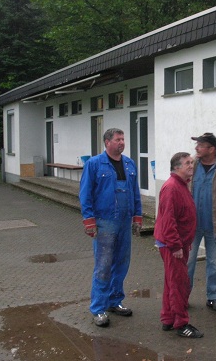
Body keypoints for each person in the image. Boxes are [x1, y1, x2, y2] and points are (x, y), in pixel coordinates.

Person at [79, 128, 142, 327]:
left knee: (122, 263)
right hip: (104, 221)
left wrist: (137, 216)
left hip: (125, 220)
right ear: (107, 142)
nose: (122, 142)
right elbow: (85, 193)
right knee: (103, 266)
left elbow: (135, 192)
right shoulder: (94, 164)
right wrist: (89, 220)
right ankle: (98, 308)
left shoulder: (130, 164)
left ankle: (115, 301)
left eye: (123, 139)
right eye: (117, 139)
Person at [154, 152, 204, 338]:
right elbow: (168, 220)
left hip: (178, 244)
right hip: (172, 246)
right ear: (176, 167)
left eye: (192, 162)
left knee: (171, 282)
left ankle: (167, 319)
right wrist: (175, 246)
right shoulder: (172, 187)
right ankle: (181, 324)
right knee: (179, 284)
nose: (191, 165)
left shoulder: (182, 185)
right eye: (187, 163)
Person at [187, 133, 216, 311]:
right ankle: (183, 297)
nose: (196, 148)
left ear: (211, 149)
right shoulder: (191, 164)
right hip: (192, 226)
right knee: (188, 262)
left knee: (214, 262)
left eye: (200, 145)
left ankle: (213, 297)